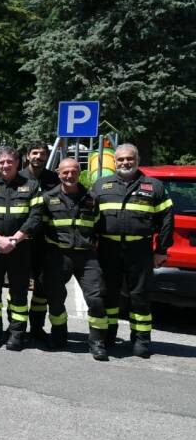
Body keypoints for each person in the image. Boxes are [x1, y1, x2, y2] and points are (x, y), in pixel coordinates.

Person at [90, 143, 173, 358]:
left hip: (140, 249)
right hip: (108, 248)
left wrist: (162, 249)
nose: (125, 163)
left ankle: (141, 340)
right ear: (114, 162)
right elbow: (87, 216)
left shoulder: (154, 186)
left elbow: (166, 219)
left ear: (137, 160)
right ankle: (108, 336)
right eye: (121, 159)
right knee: (109, 294)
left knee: (140, 295)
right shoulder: (101, 186)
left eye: (130, 159)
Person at [0, 146, 43, 351]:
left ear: (17, 164)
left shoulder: (31, 186)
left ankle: (16, 333)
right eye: (2, 162)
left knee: (20, 292)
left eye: (9, 162)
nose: (5, 165)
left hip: (20, 249)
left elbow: (36, 216)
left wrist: (15, 240)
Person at [40, 158, 108, 359]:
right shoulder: (48, 198)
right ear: (58, 173)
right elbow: (41, 225)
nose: (69, 176)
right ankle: (59, 335)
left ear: (79, 172)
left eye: (73, 172)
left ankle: (97, 342)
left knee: (96, 298)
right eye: (65, 172)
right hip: (58, 255)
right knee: (55, 298)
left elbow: (99, 226)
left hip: (86, 256)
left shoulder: (92, 198)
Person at [20, 141, 60, 343]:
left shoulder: (54, 179)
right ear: (28, 156)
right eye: (34, 153)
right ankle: (16, 327)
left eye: (42, 153)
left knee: (41, 287)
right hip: (22, 240)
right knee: (17, 285)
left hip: (46, 241)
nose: (38, 157)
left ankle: (36, 327)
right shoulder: (18, 178)